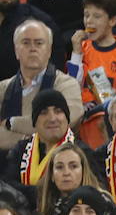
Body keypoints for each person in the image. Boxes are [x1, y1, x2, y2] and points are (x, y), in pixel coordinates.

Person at [0, 22, 80, 156]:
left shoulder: (66, 84)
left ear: (49, 51)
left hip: (53, 167)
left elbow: (64, 122)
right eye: (26, 43)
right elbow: (48, 129)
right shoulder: (2, 89)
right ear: (16, 51)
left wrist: (10, 123)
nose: (32, 48)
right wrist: (33, 139)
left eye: (39, 43)